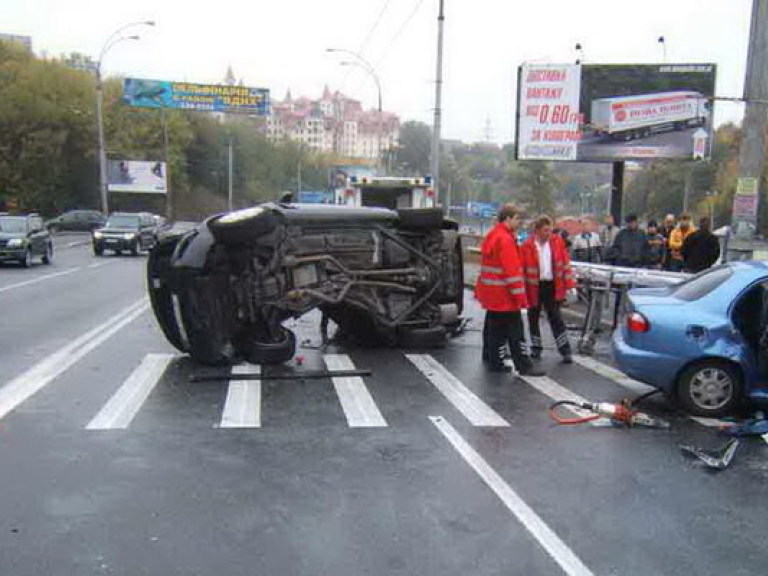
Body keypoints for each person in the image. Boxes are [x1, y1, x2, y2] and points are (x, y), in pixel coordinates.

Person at [476, 204, 546, 376]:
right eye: (517, 219)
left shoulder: (493, 235)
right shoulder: (506, 239)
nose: (519, 223)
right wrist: (520, 297)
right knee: (516, 331)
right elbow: (512, 271)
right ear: (508, 218)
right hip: (505, 295)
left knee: (495, 330)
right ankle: (524, 365)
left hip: (492, 293)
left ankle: (495, 361)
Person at [521, 216, 576, 364]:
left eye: (550, 230)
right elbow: (523, 269)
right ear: (537, 230)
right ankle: (536, 347)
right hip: (534, 287)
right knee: (533, 318)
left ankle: (565, 350)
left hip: (552, 285)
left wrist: (569, 285)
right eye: (545, 230)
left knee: (556, 318)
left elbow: (565, 264)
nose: (549, 233)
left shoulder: (557, 242)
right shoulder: (527, 246)